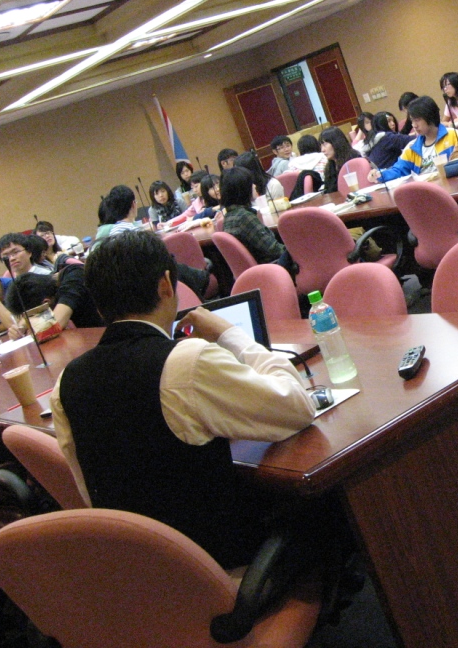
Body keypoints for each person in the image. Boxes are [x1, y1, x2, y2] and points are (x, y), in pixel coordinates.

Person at [50, 231, 317, 570]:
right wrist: (229, 334)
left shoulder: (65, 383)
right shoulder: (186, 361)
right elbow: (298, 406)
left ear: (98, 304)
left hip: (143, 573)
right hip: (222, 566)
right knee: (320, 508)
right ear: (166, 284)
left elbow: (90, 491)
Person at [221, 167, 295, 272]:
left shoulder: (229, 216)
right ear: (243, 189)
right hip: (273, 268)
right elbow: (273, 249)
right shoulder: (244, 217)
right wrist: (296, 249)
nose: (255, 186)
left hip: (257, 271)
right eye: (251, 183)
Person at [4, 263, 104, 330]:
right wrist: (21, 328)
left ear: (46, 303)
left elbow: (56, 325)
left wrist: (29, 326)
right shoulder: (50, 288)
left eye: (37, 316)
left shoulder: (74, 277)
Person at [319, 128, 360, 194]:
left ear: (336, 142)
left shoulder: (353, 159)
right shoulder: (330, 167)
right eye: (321, 146)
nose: (322, 150)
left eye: (325, 144)